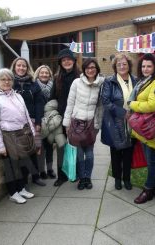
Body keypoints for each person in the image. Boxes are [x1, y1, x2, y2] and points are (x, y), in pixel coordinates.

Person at [0, 68, 35, 204]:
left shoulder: (17, 96)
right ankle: (13, 192)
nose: (7, 82)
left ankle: (21, 188)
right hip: (8, 136)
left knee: (22, 163)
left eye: (9, 79)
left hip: (22, 134)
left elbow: (26, 115)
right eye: (3, 79)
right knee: (11, 166)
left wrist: (32, 131)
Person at [128, 53, 155, 204]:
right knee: (151, 160)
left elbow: (152, 105)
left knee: (152, 162)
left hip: (151, 128)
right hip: (144, 128)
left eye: (149, 66)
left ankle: (148, 189)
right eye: (143, 66)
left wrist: (132, 104)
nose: (145, 69)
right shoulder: (144, 81)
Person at [63, 58, 104, 190]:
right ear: (84, 70)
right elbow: (70, 103)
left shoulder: (102, 83)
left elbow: (101, 107)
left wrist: (98, 125)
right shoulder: (76, 82)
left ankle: (88, 177)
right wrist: (67, 123)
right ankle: (81, 178)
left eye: (93, 67)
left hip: (91, 124)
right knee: (79, 153)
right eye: (87, 68)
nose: (90, 70)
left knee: (90, 153)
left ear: (97, 69)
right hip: (76, 123)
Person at [101, 53, 137, 190]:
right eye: (119, 64)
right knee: (116, 153)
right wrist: (123, 113)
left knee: (128, 153)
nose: (122, 66)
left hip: (132, 123)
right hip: (115, 123)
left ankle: (127, 179)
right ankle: (117, 179)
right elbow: (105, 101)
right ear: (115, 67)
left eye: (124, 64)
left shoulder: (136, 80)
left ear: (129, 66)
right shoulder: (109, 81)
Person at [11, 57, 46, 186]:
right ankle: (24, 179)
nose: (21, 68)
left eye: (24, 66)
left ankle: (36, 176)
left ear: (27, 68)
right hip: (17, 123)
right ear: (14, 67)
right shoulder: (10, 82)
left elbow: (39, 103)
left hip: (31, 121)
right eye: (18, 65)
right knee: (22, 151)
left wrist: (38, 122)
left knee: (34, 149)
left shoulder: (33, 83)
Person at [50, 47, 81, 187]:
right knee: (61, 146)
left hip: (77, 118)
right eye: (64, 60)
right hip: (61, 119)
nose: (67, 62)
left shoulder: (80, 77)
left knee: (76, 146)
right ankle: (61, 176)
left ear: (73, 61)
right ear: (60, 63)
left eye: (69, 59)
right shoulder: (57, 78)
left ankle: (75, 173)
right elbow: (52, 99)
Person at [33, 65, 56, 179]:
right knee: (40, 147)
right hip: (39, 120)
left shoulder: (53, 86)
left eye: (46, 73)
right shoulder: (34, 86)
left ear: (49, 75)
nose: (44, 74)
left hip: (51, 121)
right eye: (42, 72)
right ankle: (41, 170)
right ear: (38, 74)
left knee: (50, 146)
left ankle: (50, 169)